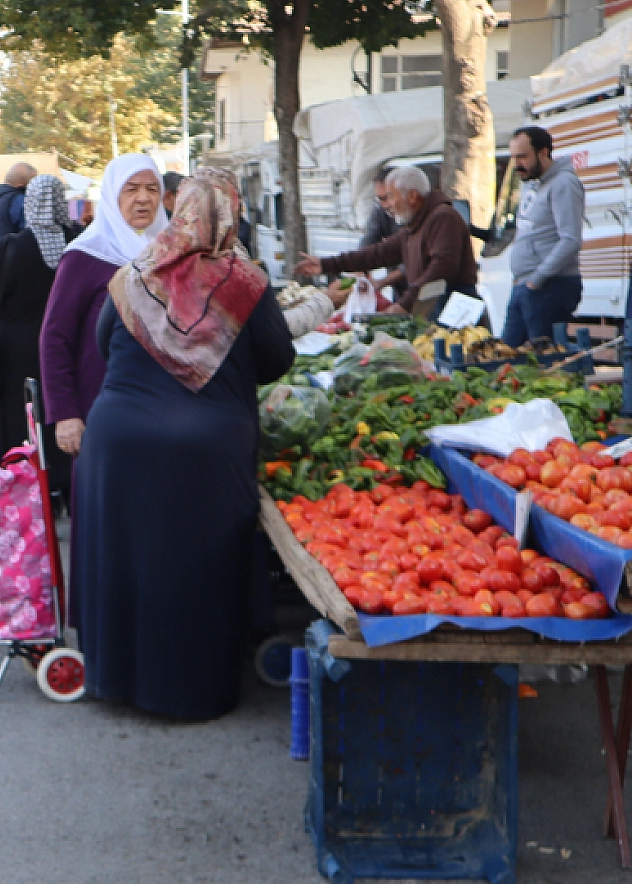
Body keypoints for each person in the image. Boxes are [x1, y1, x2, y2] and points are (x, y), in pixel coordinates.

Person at [78, 168, 343, 720]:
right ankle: (188, 692)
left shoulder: (135, 274)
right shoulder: (242, 282)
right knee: (194, 567)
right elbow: (275, 360)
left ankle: (117, 681)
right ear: (230, 213)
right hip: (204, 451)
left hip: (118, 440)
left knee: (128, 561)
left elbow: (106, 345)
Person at [37, 154, 166, 632]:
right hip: (96, 413)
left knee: (149, 521)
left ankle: (146, 620)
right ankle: (99, 625)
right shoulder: (85, 258)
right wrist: (65, 414)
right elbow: (54, 338)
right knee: (101, 521)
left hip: (157, 414)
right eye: (131, 189)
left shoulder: (169, 253)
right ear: (111, 196)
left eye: (151, 189)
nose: (142, 199)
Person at [0, 174, 77, 456]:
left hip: (15, 352)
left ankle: (25, 484)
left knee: (21, 425)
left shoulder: (10, 247)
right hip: (69, 347)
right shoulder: (79, 244)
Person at [295, 164, 476, 316]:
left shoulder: (443, 218)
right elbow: (377, 254)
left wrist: (405, 303)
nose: (387, 205)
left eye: (390, 196)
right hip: (432, 308)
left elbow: (441, 268)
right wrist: (326, 264)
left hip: (453, 310)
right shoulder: (414, 226)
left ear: (412, 196)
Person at [505, 125, 586, 346]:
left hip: (550, 286)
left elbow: (570, 239)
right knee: (507, 356)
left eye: (522, 157)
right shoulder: (531, 184)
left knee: (540, 364)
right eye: (513, 157)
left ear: (543, 152)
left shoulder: (564, 183)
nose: (517, 164)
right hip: (525, 285)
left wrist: (537, 279)